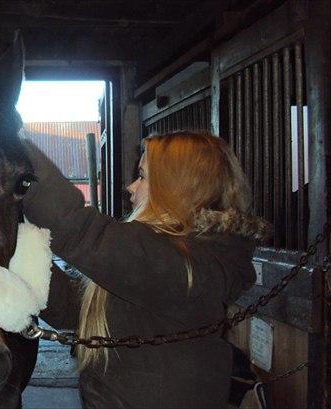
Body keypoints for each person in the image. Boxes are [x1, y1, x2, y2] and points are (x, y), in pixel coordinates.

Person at [22, 131, 269, 408]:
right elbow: (76, 311)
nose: (131, 186)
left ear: (176, 188)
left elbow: (79, 230)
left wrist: (8, 138)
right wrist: (20, 251)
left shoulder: (187, 264)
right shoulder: (170, 259)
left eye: (142, 177)